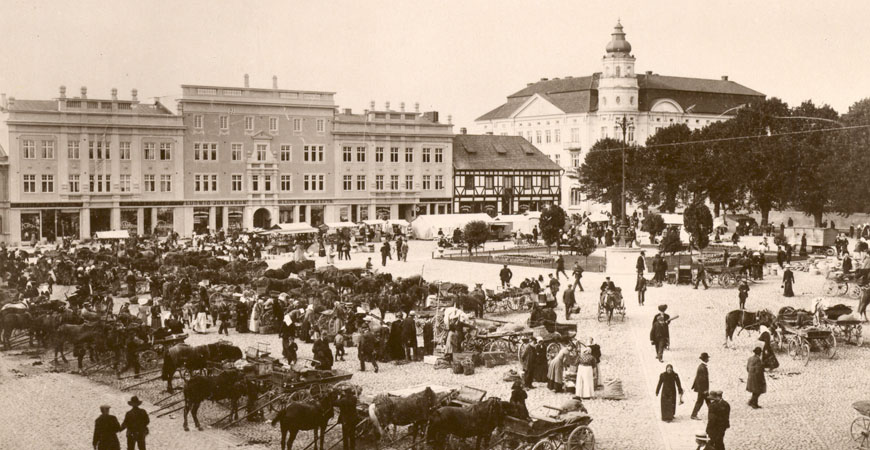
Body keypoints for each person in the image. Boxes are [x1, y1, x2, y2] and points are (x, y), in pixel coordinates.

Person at [691, 353, 710, 420]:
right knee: (700, 402)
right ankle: (693, 415)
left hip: (702, 388)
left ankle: (713, 414)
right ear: (705, 359)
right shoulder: (702, 368)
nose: (708, 359)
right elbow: (702, 380)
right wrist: (704, 390)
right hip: (702, 389)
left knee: (707, 401)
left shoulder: (701, 366)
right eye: (707, 358)